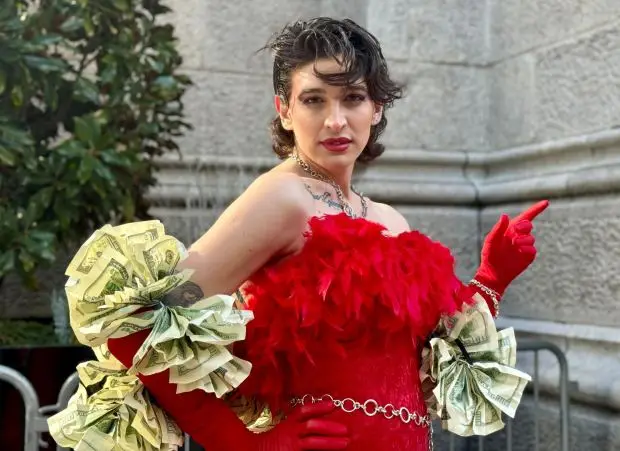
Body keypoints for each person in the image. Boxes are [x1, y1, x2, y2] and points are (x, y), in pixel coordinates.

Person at [52, 17, 548, 451]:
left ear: (376, 108)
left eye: (353, 98)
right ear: (286, 110)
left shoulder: (389, 219)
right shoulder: (281, 199)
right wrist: (245, 443)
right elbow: (135, 324)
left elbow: (426, 366)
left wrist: (492, 278)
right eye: (314, 100)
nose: (336, 120)